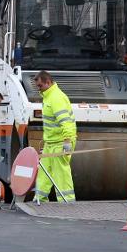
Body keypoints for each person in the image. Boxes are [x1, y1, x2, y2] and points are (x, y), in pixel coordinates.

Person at [33, 70, 77, 203]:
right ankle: (39, 198)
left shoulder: (56, 97)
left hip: (60, 142)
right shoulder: (49, 97)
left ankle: (67, 202)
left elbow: (66, 122)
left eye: (40, 86)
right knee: (44, 172)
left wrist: (67, 141)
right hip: (51, 143)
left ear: (48, 82)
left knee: (61, 173)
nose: (38, 89)